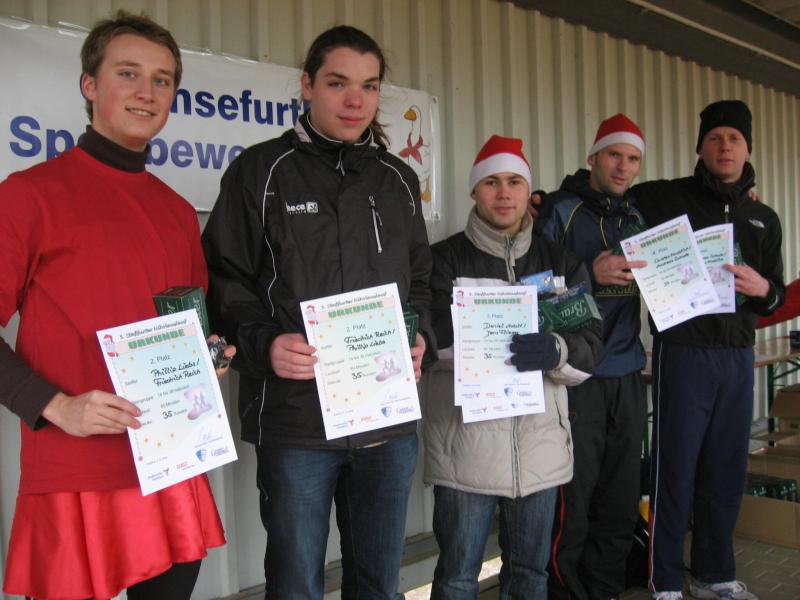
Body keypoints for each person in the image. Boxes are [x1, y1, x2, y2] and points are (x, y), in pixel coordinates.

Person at [0, 10, 235, 600]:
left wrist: (207, 358)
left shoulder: (176, 210)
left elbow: (186, 324)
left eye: (162, 80)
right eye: (128, 73)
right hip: (77, 470)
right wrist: (55, 405)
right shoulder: (29, 195)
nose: (146, 92)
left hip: (170, 460)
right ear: (89, 84)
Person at [201, 25, 432, 600]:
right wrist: (265, 346)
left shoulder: (398, 180)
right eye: (337, 83)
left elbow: (421, 283)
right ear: (307, 85)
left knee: (378, 583)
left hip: (384, 420)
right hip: (296, 421)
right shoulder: (261, 171)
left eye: (369, 86)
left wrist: (419, 337)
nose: (355, 100)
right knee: (296, 583)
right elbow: (223, 280)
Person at [423, 135, 602, 599]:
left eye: (514, 182)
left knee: (529, 575)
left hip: (539, 451)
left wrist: (556, 350)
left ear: (528, 191)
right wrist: (484, 336)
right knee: (457, 577)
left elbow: (590, 345)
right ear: (474, 190)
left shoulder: (561, 264)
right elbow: (425, 340)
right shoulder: (441, 262)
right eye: (492, 182)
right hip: (465, 449)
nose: (504, 193)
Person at [632, 100, 785, 599]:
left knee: (726, 468)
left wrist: (764, 288)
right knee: (675, 468)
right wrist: (549, 202)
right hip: (683, 351)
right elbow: (607, 191)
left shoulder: (763, 218)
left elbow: (777, 295)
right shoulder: (664, 197)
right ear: (700, 147)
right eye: (715, 138)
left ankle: (714, 574)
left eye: (734, 139)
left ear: (747, 149)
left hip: (737, 354)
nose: (725, 147)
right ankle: (665, 581)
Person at [534, 113, 648, 600]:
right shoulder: (560, 210)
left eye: (633, 159)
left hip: (628, 372)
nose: (622, 167)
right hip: (577, 376)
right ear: (593, 158)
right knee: (573, 502)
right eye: (614, 155)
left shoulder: (638, 218)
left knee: (620, 501)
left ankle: (604, 591)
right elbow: (533, 289)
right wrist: (588, 275)